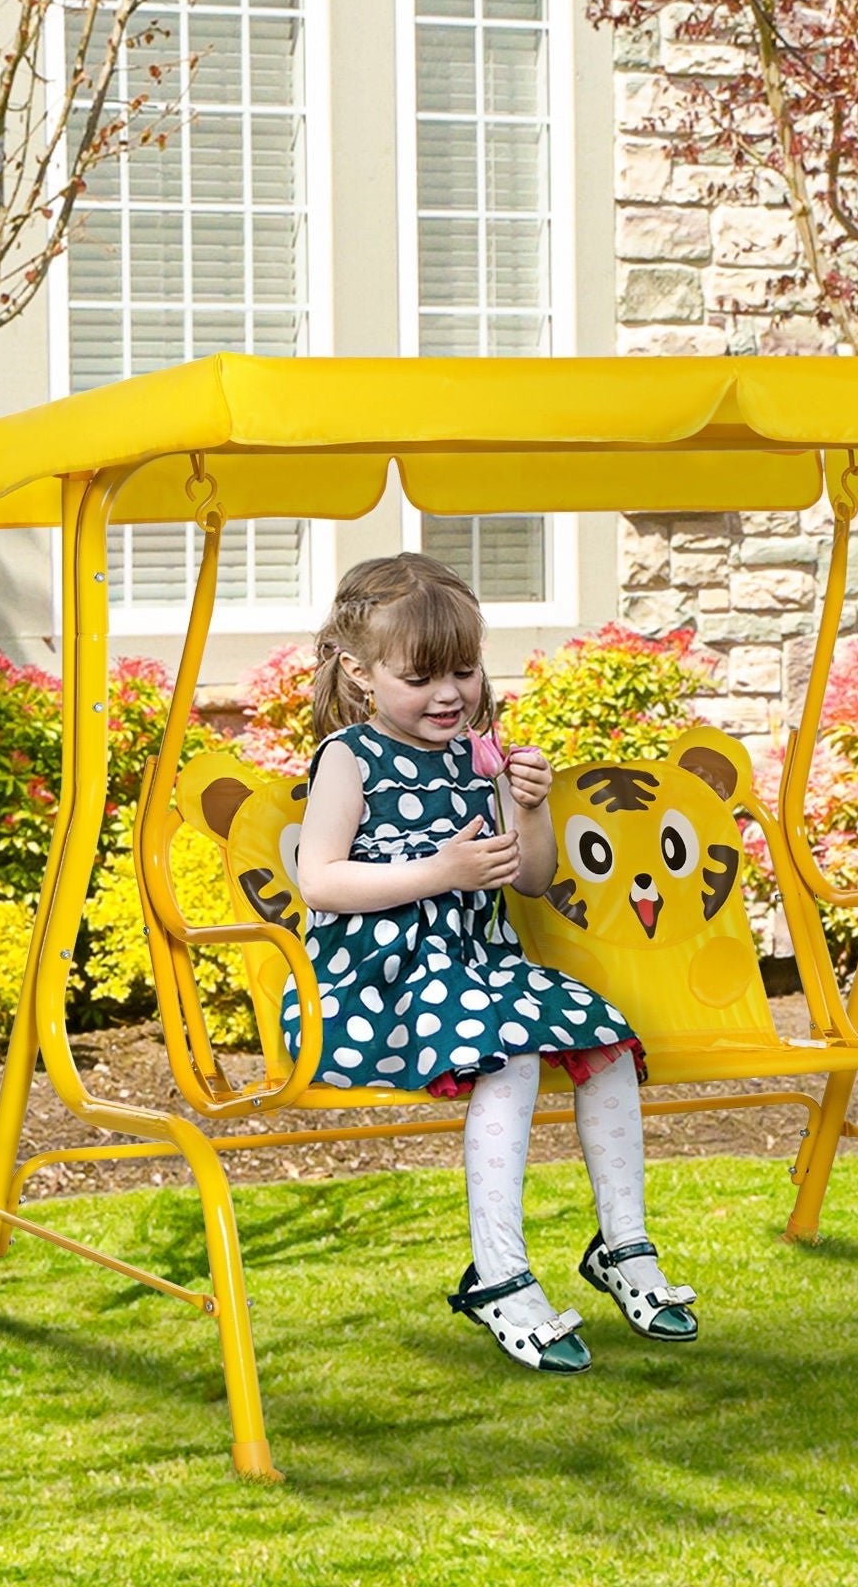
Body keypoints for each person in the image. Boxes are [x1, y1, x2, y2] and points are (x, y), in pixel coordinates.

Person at [290, 553, 698, 1375]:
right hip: (379, 976)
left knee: (608, 1043)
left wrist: (527, 804)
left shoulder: (479, 755)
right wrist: (438, 872)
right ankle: (500, 1273)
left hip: (476, 968)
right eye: (421, 677)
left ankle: (624, 1243)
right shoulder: (350, 756)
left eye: (465, 672)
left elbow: (536, 877)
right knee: (504, 1054)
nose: (450, 695)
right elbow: (322, 882)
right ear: (361, 675)